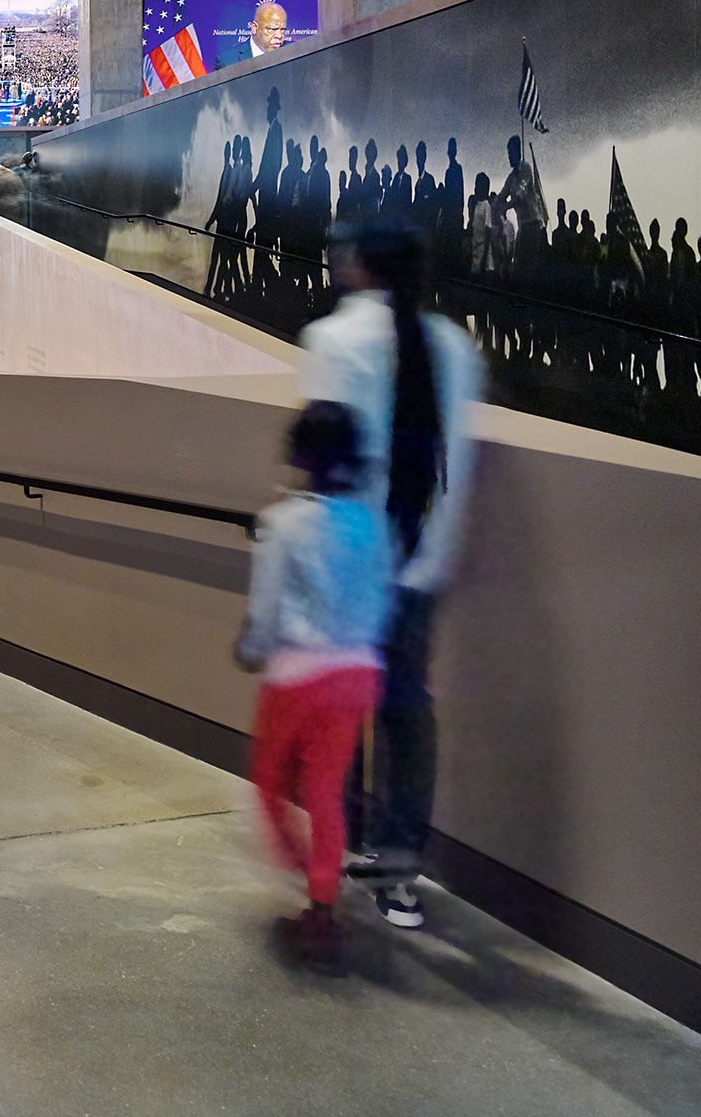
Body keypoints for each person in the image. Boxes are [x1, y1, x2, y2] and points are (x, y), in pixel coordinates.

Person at [298, 215, 482, 931]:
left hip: (350, 564)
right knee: (407, 713)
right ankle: (398, 875)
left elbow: (323, 460)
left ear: (360, 264)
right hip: (422, 561)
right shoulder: (455, 347)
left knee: (338, 707)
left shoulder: (332, 340)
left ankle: (337, 844)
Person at [236, 400, 394, 974]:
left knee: (269, 784)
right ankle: (322, 904)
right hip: (356, 675)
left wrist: (251, 647)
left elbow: (267, 607)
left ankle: (305, 872)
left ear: (300, 454)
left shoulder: (283, 524)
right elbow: (381, 604)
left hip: (297, 675)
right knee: (326, 792)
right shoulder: (372, 525)